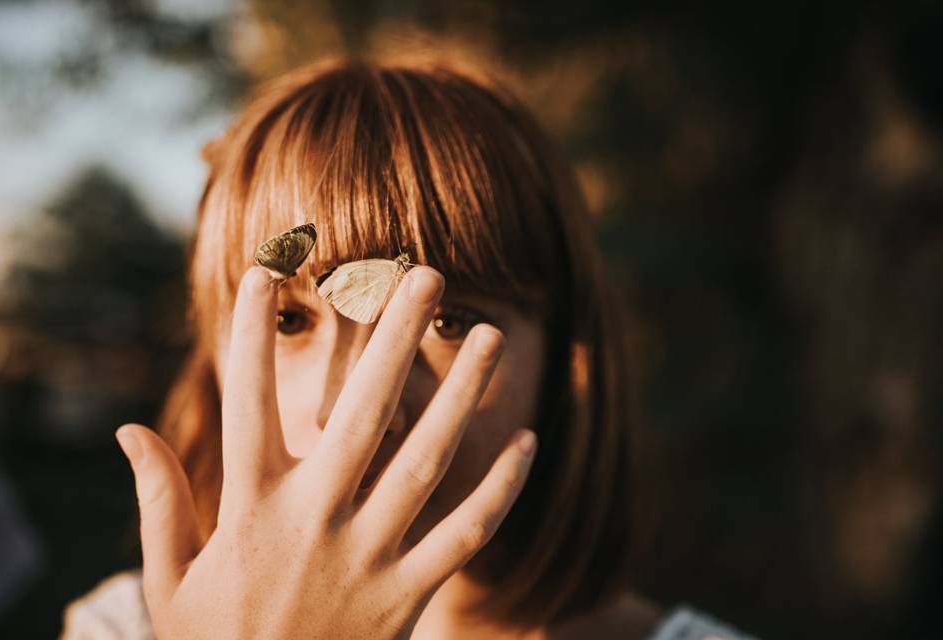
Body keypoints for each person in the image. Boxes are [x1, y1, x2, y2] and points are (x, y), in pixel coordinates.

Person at [60, 59, 754, 639]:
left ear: (564, 360)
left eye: (447, 319)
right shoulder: (123, 629)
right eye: (290, 321)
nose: (354, 407)